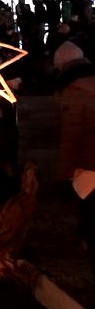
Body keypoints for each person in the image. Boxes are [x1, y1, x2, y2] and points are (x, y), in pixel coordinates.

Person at [53, 40, 95, 279]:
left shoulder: (75, 92)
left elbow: (71, 135)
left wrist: (65, 171)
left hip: (90, 167)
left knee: (90, 216)